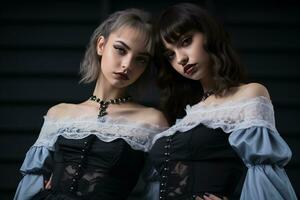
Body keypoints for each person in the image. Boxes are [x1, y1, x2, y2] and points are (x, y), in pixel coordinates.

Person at [14, 8, 168, 200]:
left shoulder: (152, 121)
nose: (127, 65)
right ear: (101, 45)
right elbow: (30, 184)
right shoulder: (59, 114)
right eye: (120, 49)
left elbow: (160, 188)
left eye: (140, 59)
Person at [149, 3, 297, 200]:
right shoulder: (187, 114)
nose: (181, 59)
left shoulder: (249, 95)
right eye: (170, 55)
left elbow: (266, 176)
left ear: (208, 34)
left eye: (186, 41)